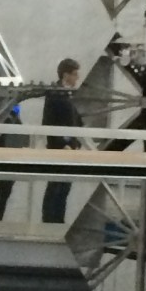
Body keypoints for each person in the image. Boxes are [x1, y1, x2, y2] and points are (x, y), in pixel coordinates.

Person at [41, 57, 83, 224]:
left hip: (68, 146)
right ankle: (50, 220)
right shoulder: (55, 93)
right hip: (60, 147)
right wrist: (62, 143)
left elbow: (74, 119)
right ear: (66, 75)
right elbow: (49, 121)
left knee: (64, 186)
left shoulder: (66, 94)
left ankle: (57, 220)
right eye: (74, 75)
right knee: (56, 185)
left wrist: (75, 142)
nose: (77, 78)